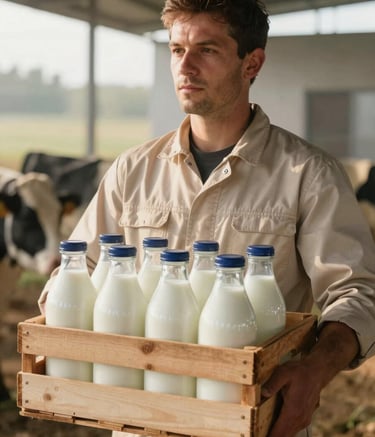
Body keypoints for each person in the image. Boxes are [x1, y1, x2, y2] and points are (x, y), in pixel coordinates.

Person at [39, 1, 375, 436]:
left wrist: (314, 369)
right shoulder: (133, 170)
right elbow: (78, 268)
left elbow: (356, 293)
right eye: (177, 50)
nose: (187, 66)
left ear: (251, 63)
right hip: (142, 421)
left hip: (253, 418)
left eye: (207, 50)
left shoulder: (307, 175)